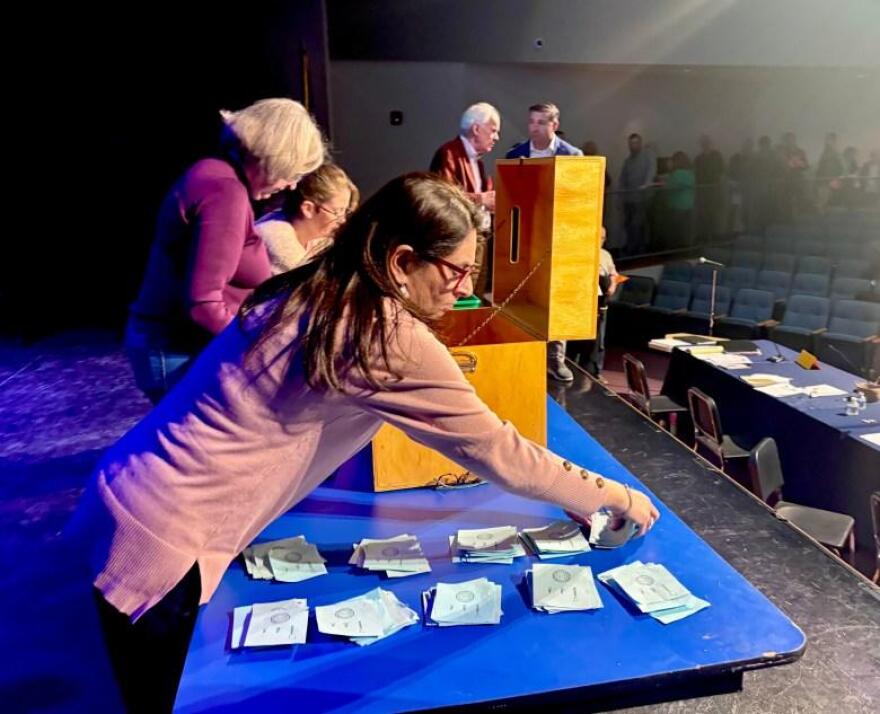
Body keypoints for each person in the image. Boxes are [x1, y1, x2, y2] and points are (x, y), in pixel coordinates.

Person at [69, 174, 658, 713]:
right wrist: (613, 496)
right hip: (165, 537)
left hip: (124, 490)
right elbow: (498, 452)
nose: (463, 289)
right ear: (402, 261)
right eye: (455, 272)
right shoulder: (383, 331)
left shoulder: (317, 286)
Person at [125, 98, 325, 403]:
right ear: (273, 158)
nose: (291, 186)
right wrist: (260, 347)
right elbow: (204, 304)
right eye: (292, 173)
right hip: (177, 349)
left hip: (170, 345)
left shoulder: (215, 173)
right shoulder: (225, 192)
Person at [506, 103, 583, 382]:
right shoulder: (515, 154)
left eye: (541, 122)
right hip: (525, 238)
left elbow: (579, 200)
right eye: (531, 122)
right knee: (524, 297)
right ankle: (524, 353)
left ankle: (555, 358)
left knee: (557, 299)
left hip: (559, 239)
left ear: (554, 124)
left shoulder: (572, 156)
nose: (534, 127)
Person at [430, 102, 501, 297]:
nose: (496, 137)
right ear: (476, 129)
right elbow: (443, 196)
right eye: (493, 131)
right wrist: (481, 199)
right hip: (461, 239)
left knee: (476, 291)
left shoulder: (477, 162)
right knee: (462, 294)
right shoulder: (449, 153)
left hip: (479, 235)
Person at [255, 163, 359, 274]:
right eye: (336, 212)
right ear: (308, 209)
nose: (342, 220)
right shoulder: (275, 236)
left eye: (345, 212)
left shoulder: (320, 241)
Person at [568, 227, 618, 379]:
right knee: (576, 338)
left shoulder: (605, 255)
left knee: (598, 339)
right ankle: (572, 367)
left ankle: (594, 371)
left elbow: (613, 274)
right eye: (598, 237)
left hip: (601, 301)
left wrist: (612, 285)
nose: (601, 241)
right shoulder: (580, 253)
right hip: (582, 300)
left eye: (603, 238)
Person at [619, 133, 655, 256]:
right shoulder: (628, 161)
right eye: (631, 144)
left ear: (640, 143)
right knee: (629, 225)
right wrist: (621, 194)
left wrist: (646, 185)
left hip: (642, 198)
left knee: (638, 225)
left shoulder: (648, 156)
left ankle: (639, 251)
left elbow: (651, 172)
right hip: (629, 199)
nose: (633, 146)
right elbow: (622, 179)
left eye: (635, 143)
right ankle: (631, 249)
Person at [664, 151, 696, 248]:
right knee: (686, 231)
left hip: (677, 206)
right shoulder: (691, 173)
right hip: (689, 205)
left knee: (675, 231)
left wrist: (669, 172)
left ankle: (675, 251)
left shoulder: (677, 174)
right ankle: (686, 250)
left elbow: (668, 186)